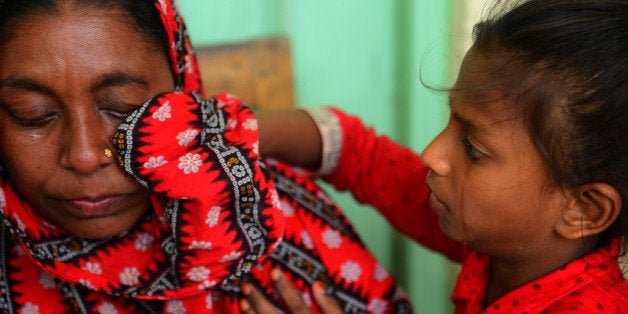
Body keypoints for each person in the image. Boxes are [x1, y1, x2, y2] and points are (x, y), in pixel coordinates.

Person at [0, 0, 412, 313]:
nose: (86, 155)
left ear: (182, 80)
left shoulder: (275, 225)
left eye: (123, 108)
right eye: (33, 115)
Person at [245, 0, 628, 312]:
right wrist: (229, 129)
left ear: (584, 209)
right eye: (451, 120)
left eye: (473, 149)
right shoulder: (491, 235)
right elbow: (358, 152)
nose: (432, 155)